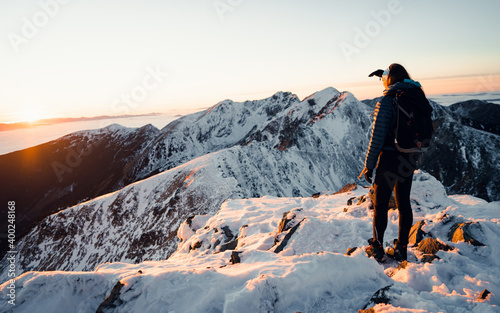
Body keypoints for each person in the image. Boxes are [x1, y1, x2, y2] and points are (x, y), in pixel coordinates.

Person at [359, 63, 429, 262]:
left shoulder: (387, 101)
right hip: (408, 157)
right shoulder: (416, 96)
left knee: (380, 204)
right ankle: (401, 248)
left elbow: (377, 137)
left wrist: (369, 165)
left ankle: (378, 247)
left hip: (389, 158)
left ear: (390, 80)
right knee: (403, 203)